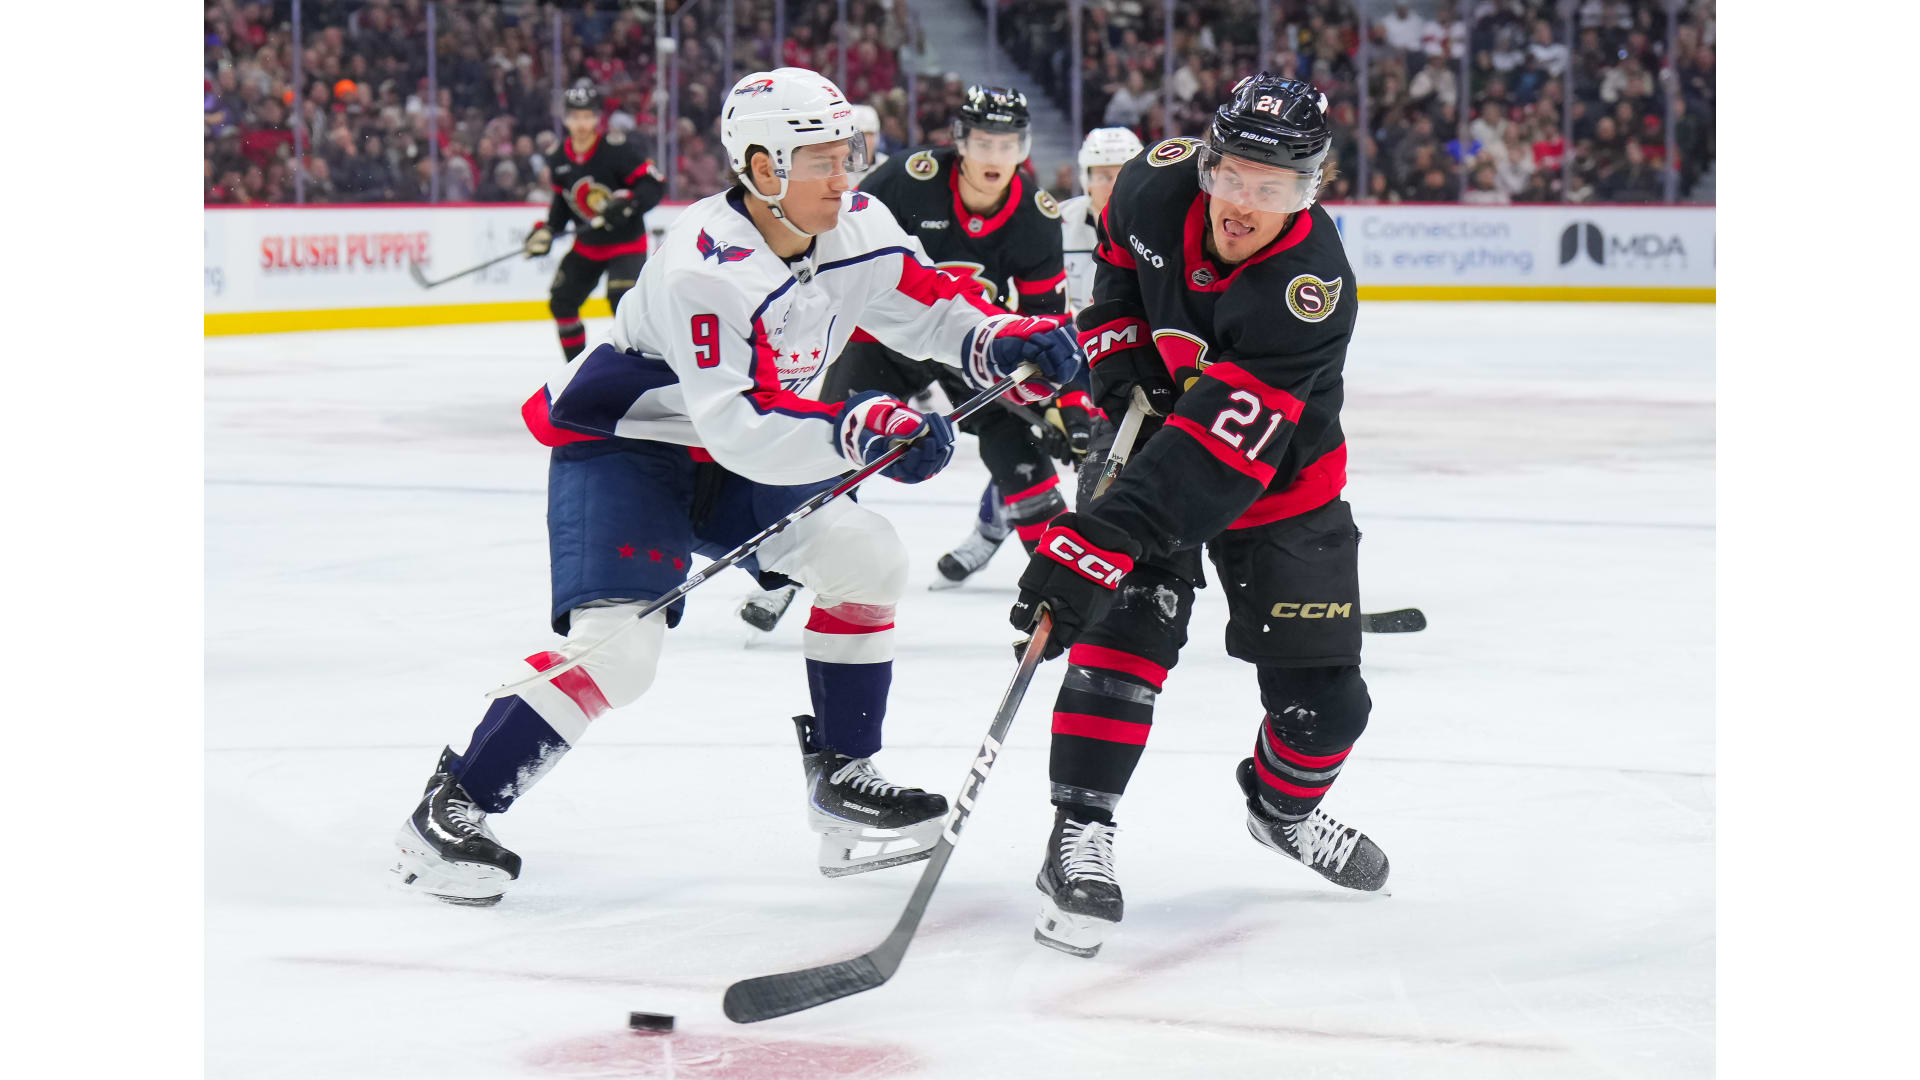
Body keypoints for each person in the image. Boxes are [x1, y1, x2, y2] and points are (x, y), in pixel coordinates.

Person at [391, 67, 1081, 906]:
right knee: (620, 653)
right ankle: (453, 805)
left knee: (866, 555)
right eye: (822, 161)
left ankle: (844, 780)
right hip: (632, 446)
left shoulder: (858, 221)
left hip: (745, 449)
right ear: (760, 168)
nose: (844, 177)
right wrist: (861, 425)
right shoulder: (706, 264)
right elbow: (740, 423)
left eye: (848, 155)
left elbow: (931, 305)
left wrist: (1002, 339)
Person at [1012, 75, 1392, 959]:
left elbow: (1217, 459)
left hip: (1280, 480)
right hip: (1154, 439)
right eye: (1232, 177)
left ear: (1310, 192)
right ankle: (1080, 831)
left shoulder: (1308, 288)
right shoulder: (1151, 184)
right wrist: (1118, 364)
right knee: (1125, 632)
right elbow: (1116, 267)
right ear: (1207, 164)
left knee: (1329, 709)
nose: (1244, 204)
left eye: (1274, 187)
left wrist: (1102, 533)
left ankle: (1281, 810)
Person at [833, 84, 1083, 592]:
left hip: (970, 343)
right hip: (883, 336)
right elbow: (842, 243)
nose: (995, 157)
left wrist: (1065, 404)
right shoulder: (907, 179)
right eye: (984, 143)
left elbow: (1046, 324)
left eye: (1008, 145)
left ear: (1024, 148)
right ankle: (788, 568)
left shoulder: (1036, 216)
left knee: (1019, 453)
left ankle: (1062, 585)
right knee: (837, 435)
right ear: (960, 141)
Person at [524, 85, 667, 362]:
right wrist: (549, 230)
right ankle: (576, 370)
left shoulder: (616, 150)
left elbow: (653, 184)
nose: (581, 124)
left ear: (597, 118)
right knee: (562, 302)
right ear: (566, 119)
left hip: (626, 244)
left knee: (623, 303)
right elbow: (563, 202)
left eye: (587, 116)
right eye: (575, 117)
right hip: (588, 246)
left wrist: (630, 203)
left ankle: (640, 369)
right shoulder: (558, 157)